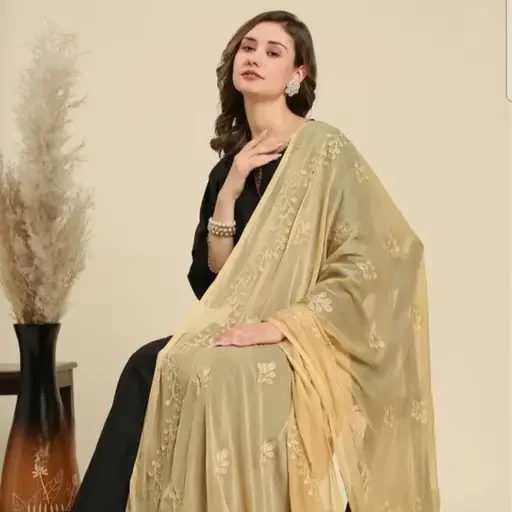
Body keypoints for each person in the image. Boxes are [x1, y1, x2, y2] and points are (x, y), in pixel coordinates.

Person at [72, 10, 440, 512]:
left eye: (273, 51)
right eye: (248, 47)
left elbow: (381, 256)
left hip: (307, 340)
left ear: (297, 74)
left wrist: (281, 325)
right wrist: (230, 191)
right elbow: (215, 283)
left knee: (211, 369)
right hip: (237, 328)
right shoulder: (228, 168)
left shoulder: (325, 150)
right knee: (148, 363)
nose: (255, 58)